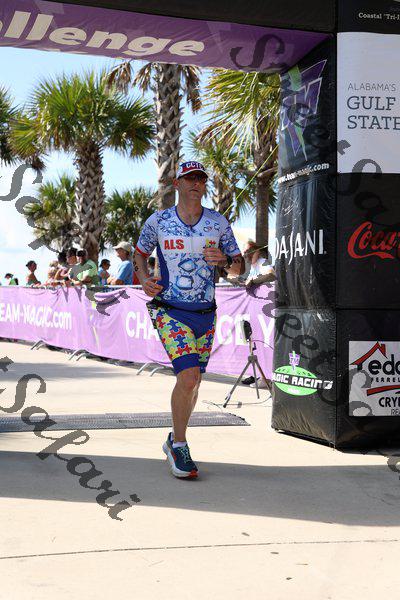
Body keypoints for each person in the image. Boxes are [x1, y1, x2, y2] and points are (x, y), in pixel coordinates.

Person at [134, 160, 244, 479]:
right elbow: (140, 253)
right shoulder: (159, 221)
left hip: (205, 313)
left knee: (194, 381)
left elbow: (239, 266)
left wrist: (224, 260)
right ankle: (179, 445)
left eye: (200, 178)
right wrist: (143, 278)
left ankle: (175, 437)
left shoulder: (217, 222)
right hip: (169, 309)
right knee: (188, 377)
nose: (196, 183)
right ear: (177, 183)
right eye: (189, 178)